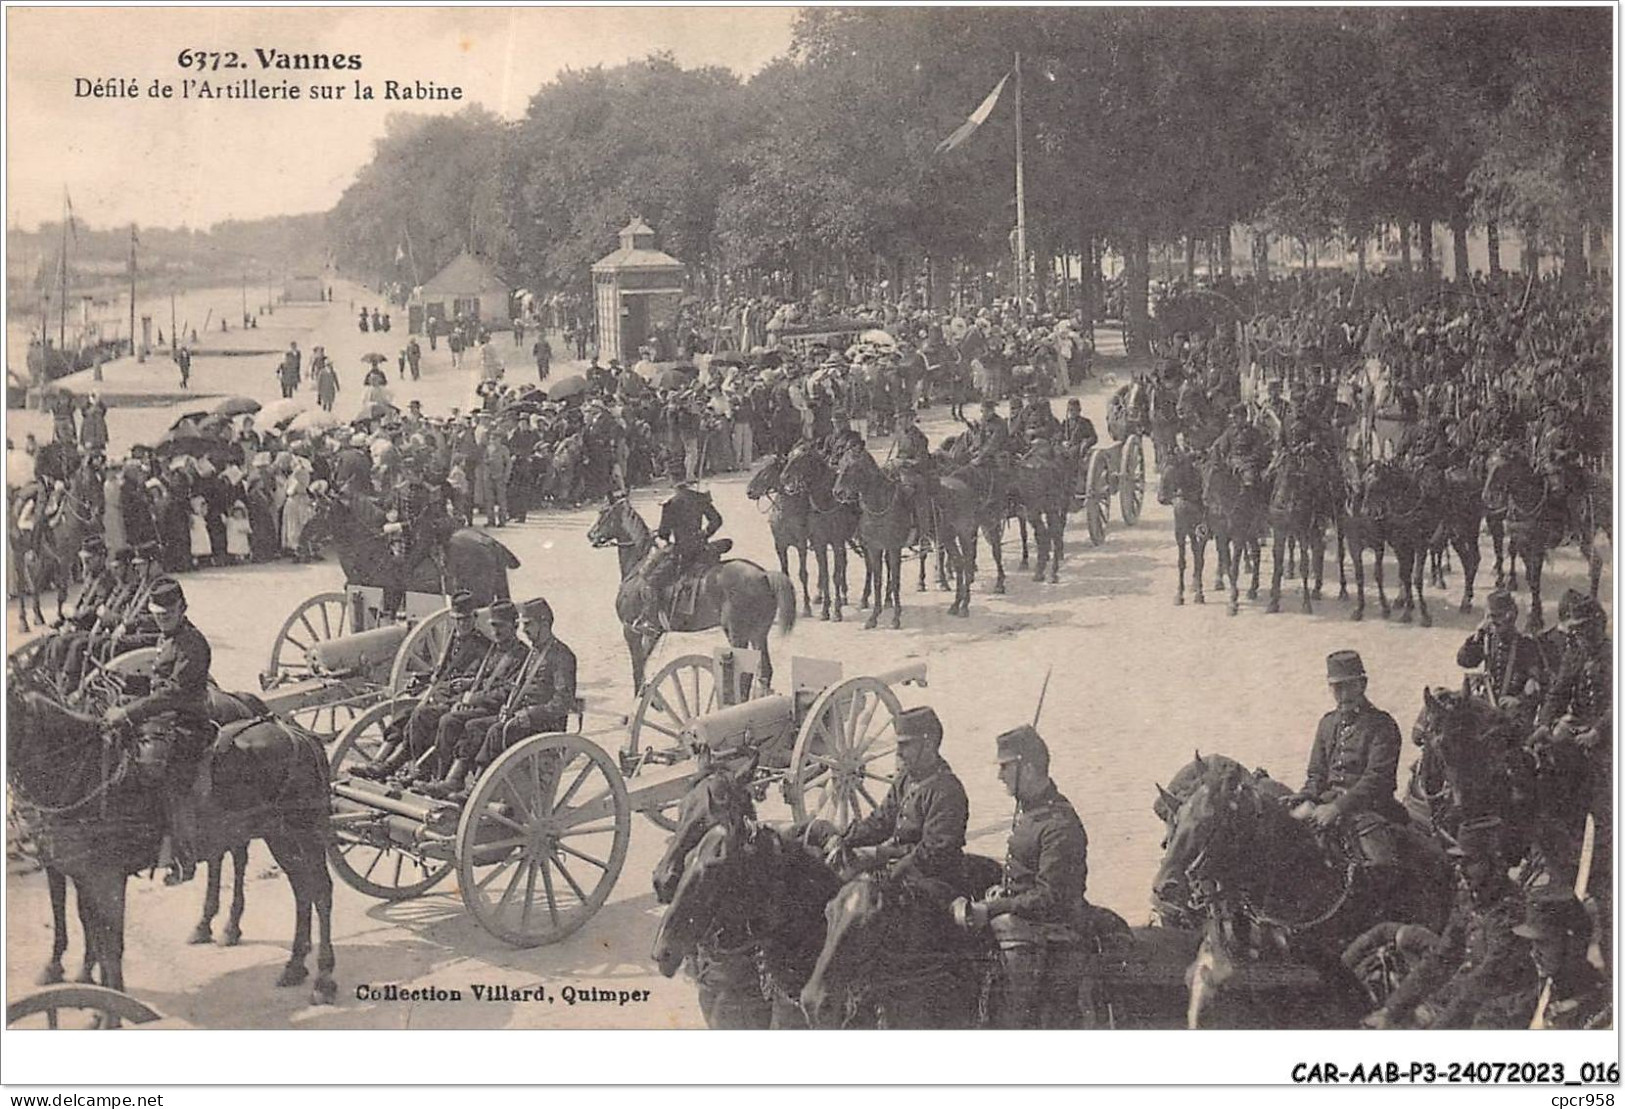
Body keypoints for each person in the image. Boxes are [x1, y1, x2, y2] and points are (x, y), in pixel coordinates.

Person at [955, 724, 1090, 1029]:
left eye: (1005, 767)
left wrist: (992, 909)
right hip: (1025, 921)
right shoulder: (1032, 813)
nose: (999, 775)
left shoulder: (1059, 824)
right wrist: (1000, 892)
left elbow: (1050, 897)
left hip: (1052, 933)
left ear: (1027, 768)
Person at [1362, 816, 1532, 1029]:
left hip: (1496, 1011)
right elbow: (1442, 958)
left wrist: (1438, 1028)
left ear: (1495, 862)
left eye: (1471, 862)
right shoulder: (1469, 900)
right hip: (1458, 1001)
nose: (1461, 869)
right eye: (1460, 861)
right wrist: (1391, 1009)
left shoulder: (1511, 911)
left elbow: (1484, 982)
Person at [104, 576, 213, 884]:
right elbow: (157, 681)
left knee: (168, 780)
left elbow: (175, 693)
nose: (161, 619)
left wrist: (128, 711)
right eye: (157, 614)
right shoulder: (169, 635)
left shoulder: (193, 643)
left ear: (183, 608)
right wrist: (120, 684)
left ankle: (183, 857)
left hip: (187, 725)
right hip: (162, 719)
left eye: (167, 614)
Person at [429, 597, 577, 801]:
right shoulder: (535, 652)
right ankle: (455, 780)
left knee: (495, 730)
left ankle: (476, 790)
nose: (523, 630)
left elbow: (562, 702)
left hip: (543, 725)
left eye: (528, 624)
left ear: (544, 623)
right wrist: (509, 708)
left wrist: (530, 714)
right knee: (474, 725)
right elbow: (517, 688)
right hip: (518, 717)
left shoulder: (561, 656)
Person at [821, 706, 969, 906]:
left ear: (928, 744)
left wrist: (886, 870)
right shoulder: (907, 779)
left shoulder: (947, 790)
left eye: (906, 745)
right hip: (900, 867)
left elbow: (934, 852)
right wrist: (845, 839)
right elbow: (881, 820)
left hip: (933, 879)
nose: (899, 753)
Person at [1287, 650, 1407, 893]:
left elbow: (1378, 778)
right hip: (1324, 805)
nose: (1342, 695)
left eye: (1348, 686)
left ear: (1362, 685)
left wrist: (1338, 808)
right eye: (1336, 688)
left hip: (1370, 809)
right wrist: (1305, 800)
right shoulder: (1327, 723)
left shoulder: (1382, 725)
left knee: (1380, 867)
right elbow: (1316, 775)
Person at [356, 591, 491, 781]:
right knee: (404, 716)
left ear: (475, 617)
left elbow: (485, 681)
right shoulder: (454, 639)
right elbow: (441, 672)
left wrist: (465, 689)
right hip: (441, 695)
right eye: (458, 620)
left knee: (421, 716)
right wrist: (423, 678)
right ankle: (379, 762)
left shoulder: (483, 645)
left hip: (458, 701)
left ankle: (413, 768)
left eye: (466, 619)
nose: (462, 624)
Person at [1471, 886, 1610, 1029]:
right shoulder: (1552, 985)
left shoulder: (1601, 1008)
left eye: (1544, 943)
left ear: (1572, 943)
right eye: (1533, 943)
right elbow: (1499, 1010)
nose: (1534, 952)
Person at [636, 476, 725, 636]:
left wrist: (657, 536)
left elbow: (664, 534)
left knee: (651, 582)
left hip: (683, 553)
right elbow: (717, 520)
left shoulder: (671, 503)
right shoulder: (700, 498)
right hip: (702, 548)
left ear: (673, 483)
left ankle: (650, 621)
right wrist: (704, 534)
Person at [1455, 589, 1545, 725]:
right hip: (1488, 705)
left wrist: (1519, 700)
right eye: (1489, 618)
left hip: (1514, 712)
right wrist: (1477, 636)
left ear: (1510, 617)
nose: (1492, 624)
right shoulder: (1487, 639)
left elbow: (1537, 684)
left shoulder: (1527, 646)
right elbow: (1464, 661)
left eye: (1496, 619)